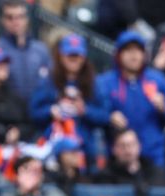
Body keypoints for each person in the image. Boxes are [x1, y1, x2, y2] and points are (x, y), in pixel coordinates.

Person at [96, 31, 165, 168]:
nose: (133, 55)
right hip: (119, 158)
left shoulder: (157, 79)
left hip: (153, 154)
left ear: (144, 55)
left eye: (138, 50)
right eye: (128, 50)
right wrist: (109, 116)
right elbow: (93, 112)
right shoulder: (105, 82)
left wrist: (164, 108)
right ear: (118, 55)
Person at [29, 34, 109, 167]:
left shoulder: (94, 83)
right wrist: (51, 111)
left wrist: (85, 110)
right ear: (61, 56)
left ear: (83, 57)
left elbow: (105, 115)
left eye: (77, 55)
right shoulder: (48, 81)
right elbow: (33, 112)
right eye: (69, 55)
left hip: (85, 149)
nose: (73, 59)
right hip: (53, 148)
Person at [94, 128, 165, 196]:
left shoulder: (155, 172)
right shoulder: (105, 177)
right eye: (123, 146)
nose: (128, 150)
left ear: (139, 146)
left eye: (131, 144)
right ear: (114, 149)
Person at [0, 0, 51, 102]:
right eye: (10, 17)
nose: (15, 22)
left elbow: (50, 82)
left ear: (27, 19)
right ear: (2, 20)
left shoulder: (40, 49)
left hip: (37, 110)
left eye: (20, 17)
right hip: (8, 111)